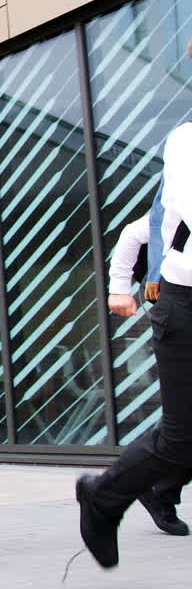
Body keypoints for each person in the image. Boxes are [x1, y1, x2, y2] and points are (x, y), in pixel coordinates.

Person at [77, 91, 192, 566]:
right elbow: (149, 226)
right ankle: (105, 497)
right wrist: (118, 289)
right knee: (181, 436)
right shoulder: (185, 142)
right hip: (182, 302)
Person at [106, 209, 189, 536]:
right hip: (180, 307)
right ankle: (136, 486)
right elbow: (133, 234)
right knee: (183, 421)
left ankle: (158, 489)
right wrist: (119, 289)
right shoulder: (181, 195)